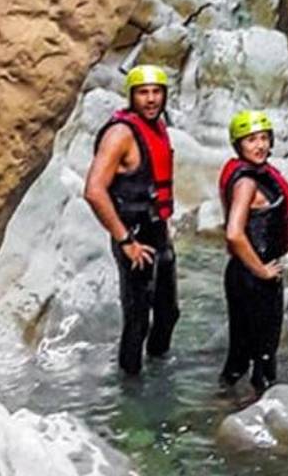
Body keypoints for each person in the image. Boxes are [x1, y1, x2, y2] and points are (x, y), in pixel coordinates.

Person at [83, 64, 180, 376]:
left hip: (157, 230)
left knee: (168, 312)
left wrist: (165, 226)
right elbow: (95, 190)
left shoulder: (157, 126)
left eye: (156, 92)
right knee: (137, 319)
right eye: (143, 93)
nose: (150, 99)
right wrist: (125, 240)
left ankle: (158, 371)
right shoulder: (120, 134)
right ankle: (132, 388)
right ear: (132, 96)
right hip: (133, 236)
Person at [218, 110, 288, 393]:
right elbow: (234, 232)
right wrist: (262, 270)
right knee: (264, 358)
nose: (260, 146)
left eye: (264, 138)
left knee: (241, 355)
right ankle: (262, 409)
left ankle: (225, 401)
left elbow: (263, 220)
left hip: (242, 274)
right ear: (238, 145)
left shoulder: (258, 175)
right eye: (251, 140)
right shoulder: (247, 182)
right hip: (253, 277)